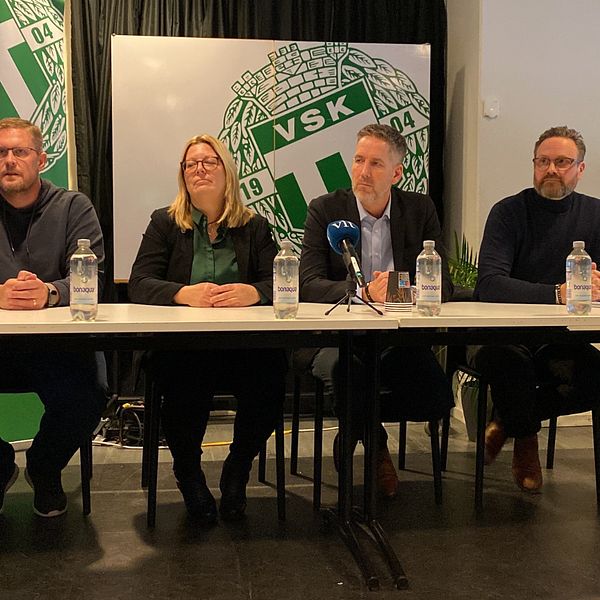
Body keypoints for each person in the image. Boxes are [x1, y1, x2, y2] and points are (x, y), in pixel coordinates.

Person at [128, 134, 286, 524]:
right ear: (183, 176)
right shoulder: (164, 222)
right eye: (190, 164)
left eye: (208, 162)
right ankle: (189, 475)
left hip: (244, 347)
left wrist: (253, 292)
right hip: (186, 347)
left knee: (272, 375)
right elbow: (139, 282)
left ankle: (238, 467)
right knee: (183, 380)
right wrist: (183, 294)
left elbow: (281, 284)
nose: (199, 169)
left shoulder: (255, 226)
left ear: (226, 171)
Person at [300, 123, 454, 498]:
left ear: (397, 173)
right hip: (334, 336)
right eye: (358, 160)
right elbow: (307, 282)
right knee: (349, 372)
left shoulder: (418, 209)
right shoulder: (326, 209)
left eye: (375, 164)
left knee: (434, 394)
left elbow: (442, 284)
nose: (363, 172)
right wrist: (363, 291)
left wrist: (397, 289)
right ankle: (377, 446)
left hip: (395, 335)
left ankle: (352, 434)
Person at [469, 125, 600, 493]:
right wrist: (557, 294)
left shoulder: (595, 214)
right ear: (533, 165)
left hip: (559, 340)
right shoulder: (509, 212)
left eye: (562, 161)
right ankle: (526, 443)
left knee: (595, 377)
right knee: (510, 363)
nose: (552, 170)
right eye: (543, 161)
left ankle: (508, 421)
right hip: (501, 335)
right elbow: (489, 284)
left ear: (580, 168)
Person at [0, 117, 105, 517]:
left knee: (89, 395)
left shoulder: (72, 206)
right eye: (1, 153)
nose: (9, 160)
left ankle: (44, 468)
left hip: (56, 349)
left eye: (20, 152)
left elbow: (92, 272)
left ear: (41, 159)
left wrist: (49, 292)